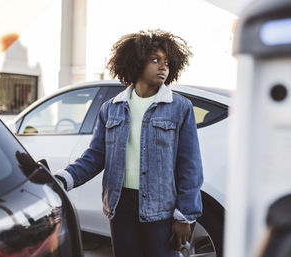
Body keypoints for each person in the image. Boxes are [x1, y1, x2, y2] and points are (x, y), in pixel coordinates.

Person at [54, 29, 203, 257]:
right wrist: (64, 179)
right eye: (155, 60)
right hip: (120, 206)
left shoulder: (180, 108)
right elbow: (95, 156)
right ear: (136, 62)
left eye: (167, 62)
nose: (163, 66)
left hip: (160, 208)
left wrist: (185, 215)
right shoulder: (111, 108)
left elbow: (190, 165)